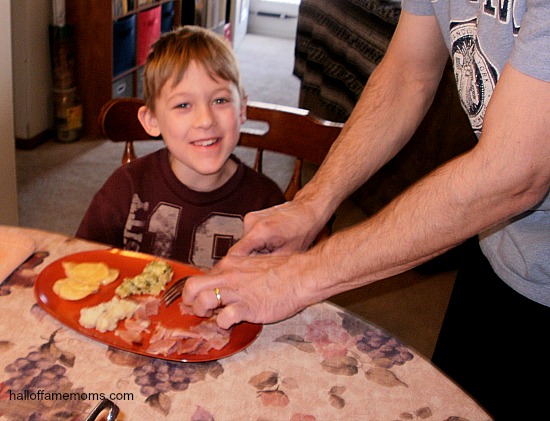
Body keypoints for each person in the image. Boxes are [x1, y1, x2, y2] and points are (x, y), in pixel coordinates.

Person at [181, 1, 550, 418]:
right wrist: (311, 204)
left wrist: (298, 276)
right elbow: (408, 73)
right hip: (501, 247)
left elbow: (513, 172)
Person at [76, 26, 285, 269]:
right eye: (183, 105)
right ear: (152, 121)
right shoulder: (126, 187)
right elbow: (82, 263)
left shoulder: (266, 202)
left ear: (241, 110)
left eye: (220, 100)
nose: (205, 120)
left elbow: (281, 286)